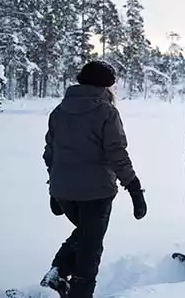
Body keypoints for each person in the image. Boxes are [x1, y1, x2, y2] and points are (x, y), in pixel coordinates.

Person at [41, 60, 147, 298]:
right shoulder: (107, 112)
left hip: (64, 191)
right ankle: (78, 291)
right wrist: (134, 187)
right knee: (90, 247)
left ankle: (58, 272)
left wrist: (54, 187)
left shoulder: (59, 111)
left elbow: (50, 153)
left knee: (86, 233)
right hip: (96, 192)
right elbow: (117, 153)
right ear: (106, 86)